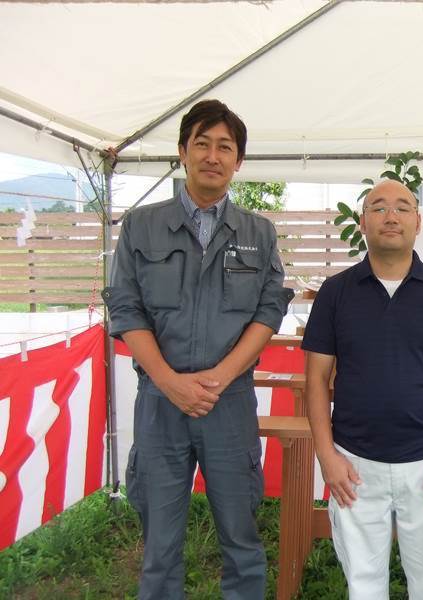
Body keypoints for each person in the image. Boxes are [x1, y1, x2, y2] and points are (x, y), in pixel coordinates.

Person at [103, 99, 293, 599]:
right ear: (183, 153)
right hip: (160, 402)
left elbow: (268, 311)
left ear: (238, 161)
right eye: (202, 144)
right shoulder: (142, 226)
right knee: (160, 546)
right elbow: (126, 310)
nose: (213, 155)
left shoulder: (258, 232)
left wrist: (222, 377)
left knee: (241, 537)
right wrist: (170, 381)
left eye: (225, 147)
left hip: (227, 403)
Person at [301, 179, 423, 600]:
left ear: (418, 222)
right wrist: (327, 457)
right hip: (353, 466)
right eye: (378, 207)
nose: (391, 215)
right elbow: (315, 380)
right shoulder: (336, 292)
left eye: (402, 207)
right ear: (363, 222)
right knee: (363, 586)